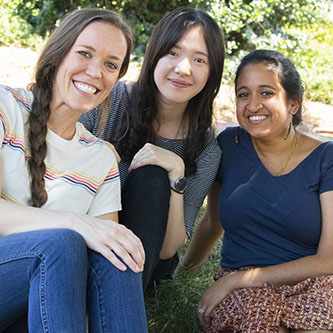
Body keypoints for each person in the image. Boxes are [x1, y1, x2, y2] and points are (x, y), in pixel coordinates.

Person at [0, 8, 148, 332]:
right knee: (60, 242)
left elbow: (104, 256)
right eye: (85, 53)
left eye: (111, 64)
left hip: (38, 310)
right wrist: (73, 223)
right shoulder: (5, 107)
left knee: (117, 253)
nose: (96, 72)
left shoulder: (100, 159)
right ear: (58, 54)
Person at [181, 49, 333, 332]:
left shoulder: (327, 158)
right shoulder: (229, 146)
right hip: (244, 292)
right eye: (243, 94)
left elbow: (329, 259)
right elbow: (213, 222)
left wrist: (239, 280)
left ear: (293, 104)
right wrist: (181, 276)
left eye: (266, 93)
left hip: (314, 281)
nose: (253, 105)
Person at [80, 6, 225, 291]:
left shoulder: (206, 147)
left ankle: (117, 298)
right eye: (173, 52)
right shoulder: (109, 100)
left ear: (212, 72)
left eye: (199, 59)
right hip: (85, 238)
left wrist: (176, 175)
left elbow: (169, 248)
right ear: (154, 54)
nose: (183, 68)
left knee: (152, 177)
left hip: (144, 264)